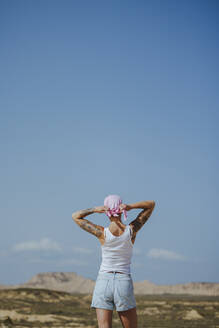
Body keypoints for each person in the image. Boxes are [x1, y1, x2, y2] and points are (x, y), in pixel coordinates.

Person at [72, 195, 155, 328]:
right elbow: (151, 204)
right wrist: (131, 206)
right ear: (122, 210)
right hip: (123, 281)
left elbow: (75, 216)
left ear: (106, 212)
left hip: (103, 281)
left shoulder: (101, 233)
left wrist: (94, 209)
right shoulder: (131, 230)